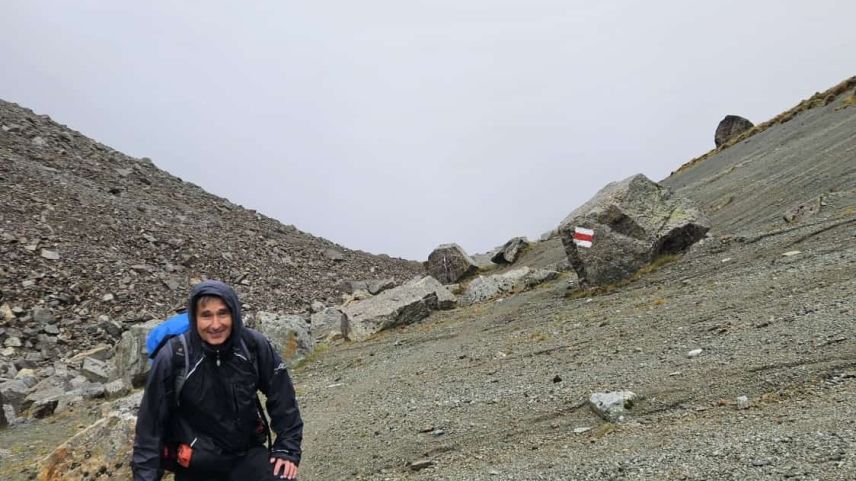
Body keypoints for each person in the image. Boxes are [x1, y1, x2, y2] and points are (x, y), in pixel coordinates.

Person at [132, 280, 303, 481]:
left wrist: (287, 448)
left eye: (223, 313)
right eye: (206, 315)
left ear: (234, 314)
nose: (215, 324)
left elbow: (282, 395)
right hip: (196, 466)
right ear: (194, 319)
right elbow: (149, 428)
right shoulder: (174, 356)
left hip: (246, 455)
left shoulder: (252, 345)